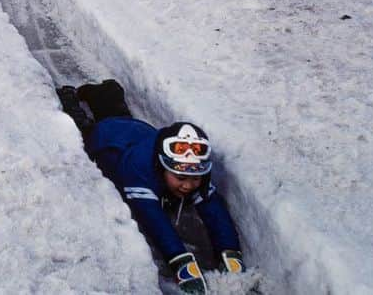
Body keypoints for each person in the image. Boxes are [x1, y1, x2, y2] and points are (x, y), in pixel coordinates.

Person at [56, 80, 244, 295]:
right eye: (180, 177)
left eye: (195, 178)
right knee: (85, 126)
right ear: (162, 167)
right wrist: (180, 262)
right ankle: (69, 96)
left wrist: (230, 252)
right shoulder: (138, 172)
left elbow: (214, 210)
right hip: (107, 142)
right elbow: (154, 220)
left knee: (117, 112)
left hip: (140, 133)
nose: (188, 185)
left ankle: (106, 91)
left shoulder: (191, 169)